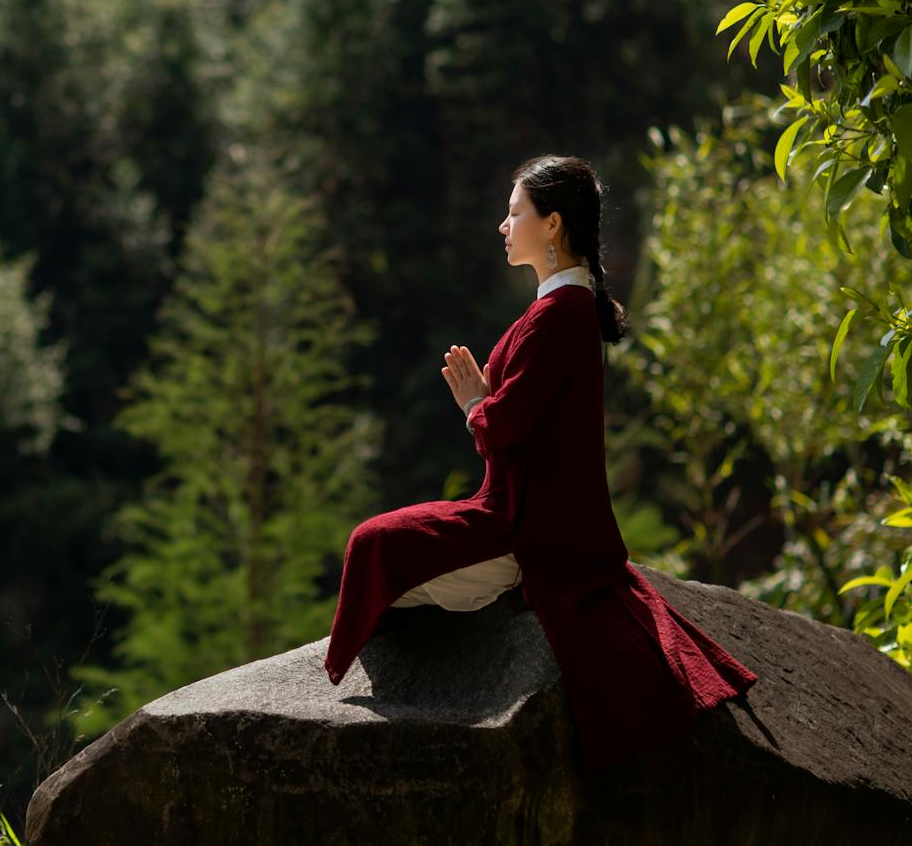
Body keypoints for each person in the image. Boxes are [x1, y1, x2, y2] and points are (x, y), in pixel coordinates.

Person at [321, 154, 759, 776]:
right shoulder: (560, 310)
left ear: (552, 225)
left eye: (514, 212)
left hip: (530, 528)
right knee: (380, 546)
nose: (503, 225)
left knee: (374, 544)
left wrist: (476, 405)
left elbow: (509, 425)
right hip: (518, 509)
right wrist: (484, 407)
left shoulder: (561, 315)